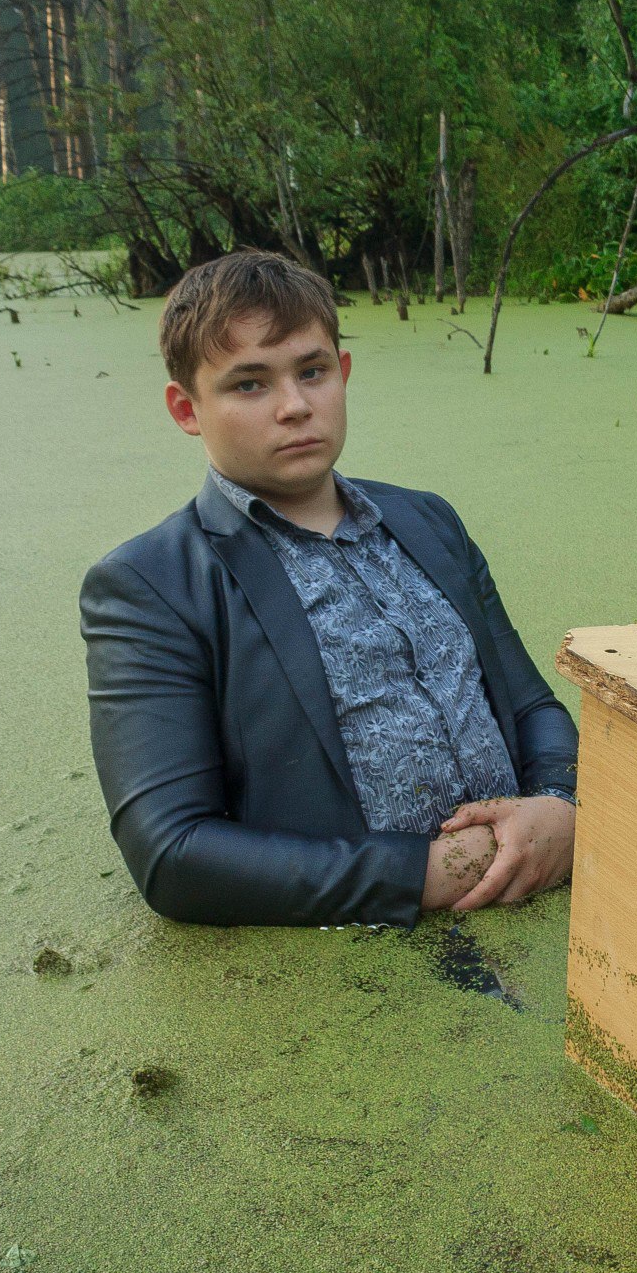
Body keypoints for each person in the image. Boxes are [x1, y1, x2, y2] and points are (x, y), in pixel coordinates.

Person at [80, 249, 577, 926]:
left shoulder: (429, 519)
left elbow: (530, 707)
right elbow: (172, 853)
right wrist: (422, 875)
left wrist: (559, 804)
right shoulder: (151, 585)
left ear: (341, 374)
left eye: (311, 372)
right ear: (186, 408)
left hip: (547, 898)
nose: (293, 406)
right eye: (249, 385)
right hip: (372, 959)